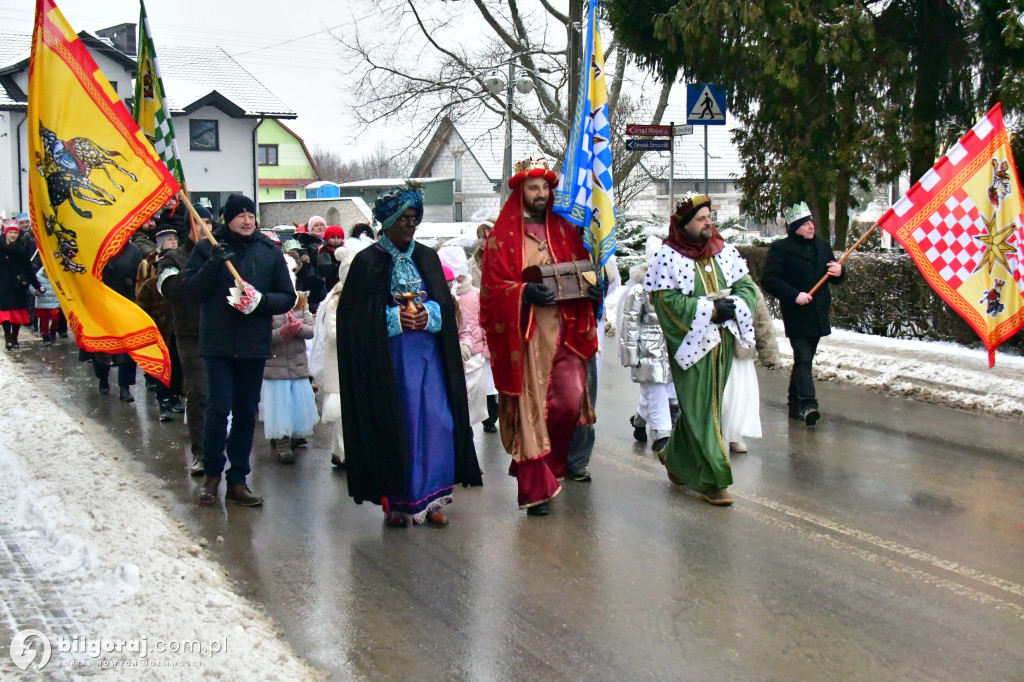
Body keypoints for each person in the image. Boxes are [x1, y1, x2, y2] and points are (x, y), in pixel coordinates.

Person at [337, 184, 481, 527]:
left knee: (438, 422)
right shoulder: (367, 263)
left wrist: (429, 314)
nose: (410, 224)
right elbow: (352, 319)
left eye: (414, 218)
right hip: (389, 363)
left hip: (430, 357)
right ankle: (398, 502)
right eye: (403, 218)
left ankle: (433, 499)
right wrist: (392, 319)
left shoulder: (427, 258)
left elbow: (447, 306)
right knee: (400, 426)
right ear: (386, 222)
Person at [480, 157, 601, 516]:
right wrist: (522, 293)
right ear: (519, 191)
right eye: (534, 188)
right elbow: (491, 290)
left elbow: (583, 272)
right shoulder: (502, 236)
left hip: (566, 329)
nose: (541, 193)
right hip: (527, 336)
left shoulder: (564, 229)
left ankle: (553, 466)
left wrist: (594, 290)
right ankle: (535, 487)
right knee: (532, 409)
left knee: (569, 399)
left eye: (546, 187)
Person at [180, 194, 297, 507]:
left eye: (251, 214)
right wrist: (213, 265)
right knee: (218, 409)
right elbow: (190, 291)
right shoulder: (209, 247)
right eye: (240, 215)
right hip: (218, 344)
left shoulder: (269, 251)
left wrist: (261, 302)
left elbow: (287, 296)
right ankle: (212, 475)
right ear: (227, 219)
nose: (247, 220)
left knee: (246, 412)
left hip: (253, 345)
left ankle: (238, 480)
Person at [644, 194, 757, 506]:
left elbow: (746, 288)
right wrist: (709, 309)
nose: (709, 223)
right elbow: (666, 303)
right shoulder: (668, 257)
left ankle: (675, 459)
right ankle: (714, 480)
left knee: (706, 408)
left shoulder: (725, 251)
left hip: (724, 343)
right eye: (701, 219)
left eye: (710, 217)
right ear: (685, 225)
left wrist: (733, 304)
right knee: (701, 409)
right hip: (693, 346)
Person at [760, 201, 846, 426]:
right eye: (805, 223)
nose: (811, 226)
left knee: (804, 360)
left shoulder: (822, 246)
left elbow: (833, 275)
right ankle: (808, 405)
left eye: (811, 222)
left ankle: (793, 403)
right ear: (795, 226)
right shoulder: (781, 249)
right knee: (803, 357)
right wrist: (794, 295)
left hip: (818, 313)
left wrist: (839, 272)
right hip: (797, 312)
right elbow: (769, 279)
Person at [156, 203, 212, 475]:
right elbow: (173, 291)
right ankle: (200, 452)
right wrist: (199, 263)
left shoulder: (225, 254)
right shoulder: (172, 260)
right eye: (198, 222)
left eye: (208, 223)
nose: (204, 228)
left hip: (224, 332)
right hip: (191, 334)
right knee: (199, 391)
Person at [619, 236, 677, 453]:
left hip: (669, 348)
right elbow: (629, 324)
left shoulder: (675, 287)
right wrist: (631, 354)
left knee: (659, 389)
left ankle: (640, 420)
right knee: (656, 388)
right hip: (648, 349)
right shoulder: (639, 290)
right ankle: (663, 433)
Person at [260, 254, 318, 464]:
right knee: (279, 406)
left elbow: (311, 331)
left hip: (297, 362)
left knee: (297, 403)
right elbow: (261, 336)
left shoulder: (300, 300)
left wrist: (298, 328)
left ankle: (294, 435)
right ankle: (281, 441)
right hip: (275, 364)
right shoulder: (265, 302)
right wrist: (283, 332)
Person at [720, 283, 779, 453]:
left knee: (739, 396)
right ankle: (711, 435)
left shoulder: (747, 287)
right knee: (720, 398)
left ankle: (735, 435)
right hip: (712, 350)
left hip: (740, 352)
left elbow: (761, 321)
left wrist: (768, 352)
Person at [80, 240, 142, 400]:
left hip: (126, 300)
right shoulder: (96, 248)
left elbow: (140, 278)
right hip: (100, 302)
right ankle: (103, 377)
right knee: (101, 345)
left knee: (127, 345)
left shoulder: (133, 251)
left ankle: (125, 386)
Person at [136, 228, 184, 422]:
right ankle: (163, 402)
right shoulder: (150, 286)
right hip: (159, 334)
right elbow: (141, 309)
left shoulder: (181, 284)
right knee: (163, 368)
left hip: (179, 334)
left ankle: (175, 398)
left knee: (178, 368)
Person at [438, 245, 489, 428]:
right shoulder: (433, 304)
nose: (451, 285)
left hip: (470, 357)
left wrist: (471, 347)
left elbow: (472, 326)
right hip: (441, 366)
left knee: (469, 408)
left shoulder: (469, 297)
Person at [0, 219, 42, 350]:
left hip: (18, 285)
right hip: (3, 285)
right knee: (6, 314)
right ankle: (8, 337)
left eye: (15, 232)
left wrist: (37, 285)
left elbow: (29, 269)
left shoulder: (22, 249)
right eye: (10, 232)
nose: (13, 235)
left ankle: (15, 337)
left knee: (17, 314)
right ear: (5, 233)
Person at [32, 265, 61, 345]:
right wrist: (36, 292)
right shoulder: (38, 276)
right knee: (44, 320)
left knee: (55, 319)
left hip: (54, 301)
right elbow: (32, 285)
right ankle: (46, 336)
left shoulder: (56, 276)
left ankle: (53, 331)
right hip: (43, 301)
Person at [316, 225, 345, 292]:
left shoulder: (346, 252)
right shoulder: (319, 252)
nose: (336, 241)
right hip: (323, 289)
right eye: (333, 238)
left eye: (339, 237)